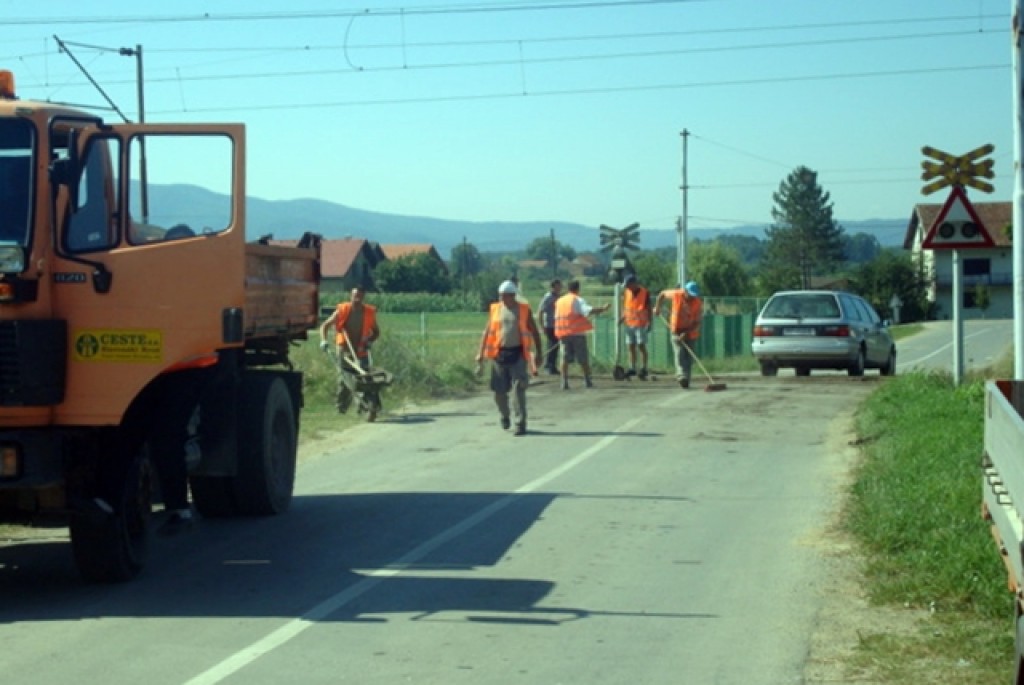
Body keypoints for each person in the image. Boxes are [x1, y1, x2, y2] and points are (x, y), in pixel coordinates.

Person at [476, 280, 542, 436]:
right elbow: (486, 332)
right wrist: (480, 353)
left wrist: (539, 353)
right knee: (499, 392)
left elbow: (535, 332)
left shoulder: (523, 310)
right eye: (500, 295)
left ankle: (520, 423)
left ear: (512, 296)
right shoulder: (496, 310)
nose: (501, 298)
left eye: (504, 296)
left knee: (519, 388)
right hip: (499, 355)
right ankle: (505, 415)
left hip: (518, 354)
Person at [319, 285, 380, 414]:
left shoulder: (368, 312)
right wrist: (324, 341)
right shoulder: (343, 310)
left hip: (361, 350)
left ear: (363, 296)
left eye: (359, 295)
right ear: (350, 296)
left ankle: (365, 406)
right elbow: (324, 326)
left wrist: (370, 341)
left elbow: (376, 332)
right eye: (354, 295)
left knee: (365, 379)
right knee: (344, 381)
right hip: (344, 351)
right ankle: (341, 408)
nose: (357, 298)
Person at [554, 279, 610, 390]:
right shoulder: (577, 300)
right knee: (582, 358)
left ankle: (564, 382)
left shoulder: (560, 301)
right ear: (578, 289)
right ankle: (587, 381)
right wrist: (603, 309)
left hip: (563, 333)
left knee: (564, 359)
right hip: (577, 333)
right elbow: (588, 310)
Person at [654, 280, 703, 389]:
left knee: (688, 357)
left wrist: (686, 333)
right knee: (679, 353)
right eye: (689, 294)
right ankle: (681, 376)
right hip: (676, 330)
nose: (691, 297)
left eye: (693, 295)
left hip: (690, 331)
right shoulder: (676, 294)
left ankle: (687, 379)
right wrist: (658, 307)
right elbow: (662, 294)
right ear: (685, 291)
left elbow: (697, 322)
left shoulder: (697, 303)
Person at [619, 274, 651, 379]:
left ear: (634, 284)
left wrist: (650, 322)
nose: (627, 287)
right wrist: (622, 317)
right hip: (629, 323)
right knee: (630, 346)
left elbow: (649, 308)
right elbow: (626, 307)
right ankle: (632, 367)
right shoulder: (627, 292)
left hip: (640, 324)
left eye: (628, 285)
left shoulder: (645, 293)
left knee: (641, 345)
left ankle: (644, 368)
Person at [537, 279, 563, 375]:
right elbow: (540, 311)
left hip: (557, 325)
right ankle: (548, 366)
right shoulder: (548, 297)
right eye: (558, 286)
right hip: (549, 325)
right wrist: (542, 325)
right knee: (551, 345)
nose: (560, 287)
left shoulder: (559, 297)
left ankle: (553, 366)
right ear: (553, 287)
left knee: (556, 346)